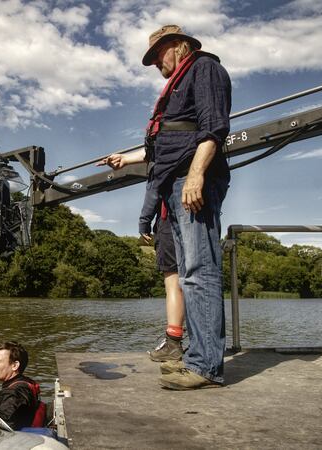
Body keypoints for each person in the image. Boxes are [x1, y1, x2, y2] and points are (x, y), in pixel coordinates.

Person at [102, 25, 231, 389]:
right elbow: (164, 145)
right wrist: (124, 160)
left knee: (200, 270)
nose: (156, 62)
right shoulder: (180, 83)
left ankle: (205, 366)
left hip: (191, 180)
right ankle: (196, 357)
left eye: (159, 53)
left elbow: (213, 129)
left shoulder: (205, 69)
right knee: (189, 272)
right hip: (173, 182)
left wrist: (195, 177)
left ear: (179, 45)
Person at [97, 158, 185, 362]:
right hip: (199, 216)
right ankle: (201, 342)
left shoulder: (166, 152)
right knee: (195, 282)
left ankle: (173, 343)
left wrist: (144, 223)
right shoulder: (198, 148)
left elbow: (155, 190)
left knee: (173, 283)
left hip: (169, 220)